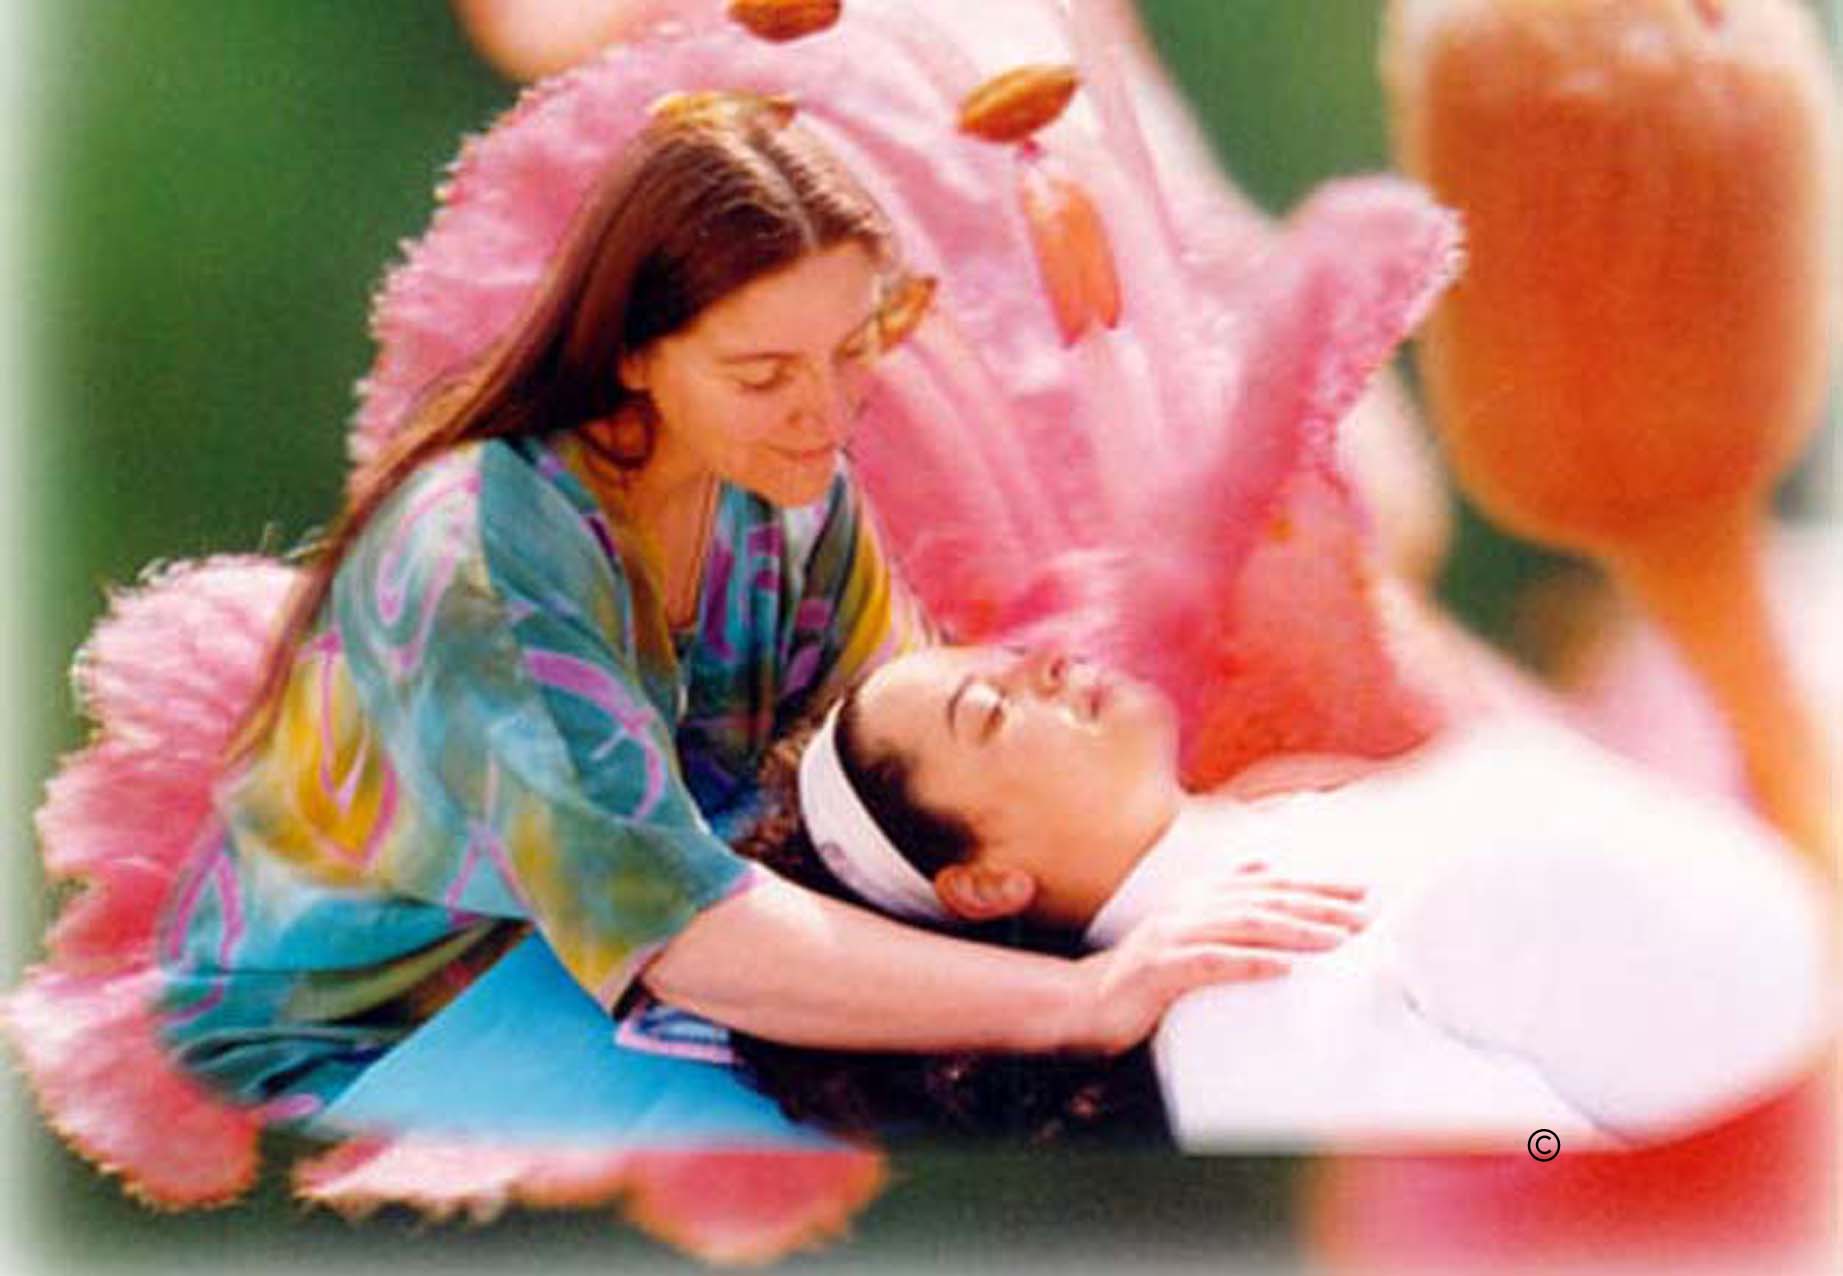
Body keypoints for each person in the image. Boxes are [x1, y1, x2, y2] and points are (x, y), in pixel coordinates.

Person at [730, 643, 1834, 1150]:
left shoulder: (1291, 819)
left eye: (1013, 657)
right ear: (985, 881)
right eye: (991, 709)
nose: (1047, 667)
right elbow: (1551, 1193)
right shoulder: (1232, 1019)